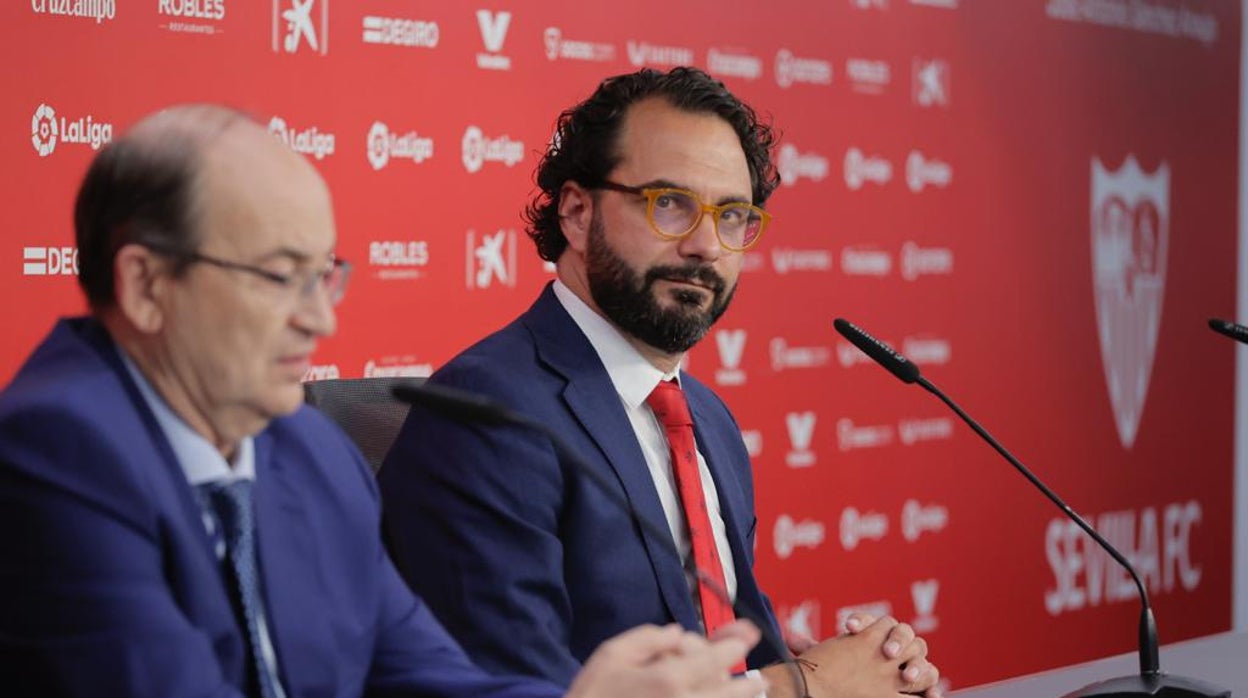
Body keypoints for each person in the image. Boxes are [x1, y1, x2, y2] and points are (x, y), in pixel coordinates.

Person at [0, 104, 770, 698]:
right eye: (278, 277)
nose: (320, 319)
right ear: (144, 284)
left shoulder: (309, 452)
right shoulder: (56, 453)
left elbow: (434, 681)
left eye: (323, 276)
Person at [379, 67, 943, 698]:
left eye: (732, 215)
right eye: (669, 204)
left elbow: (720, 644)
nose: (706, 245)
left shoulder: (707, 419)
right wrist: (794, 689)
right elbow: (515, 685)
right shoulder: (485, 414)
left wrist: (853, 668)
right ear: (575, 211)